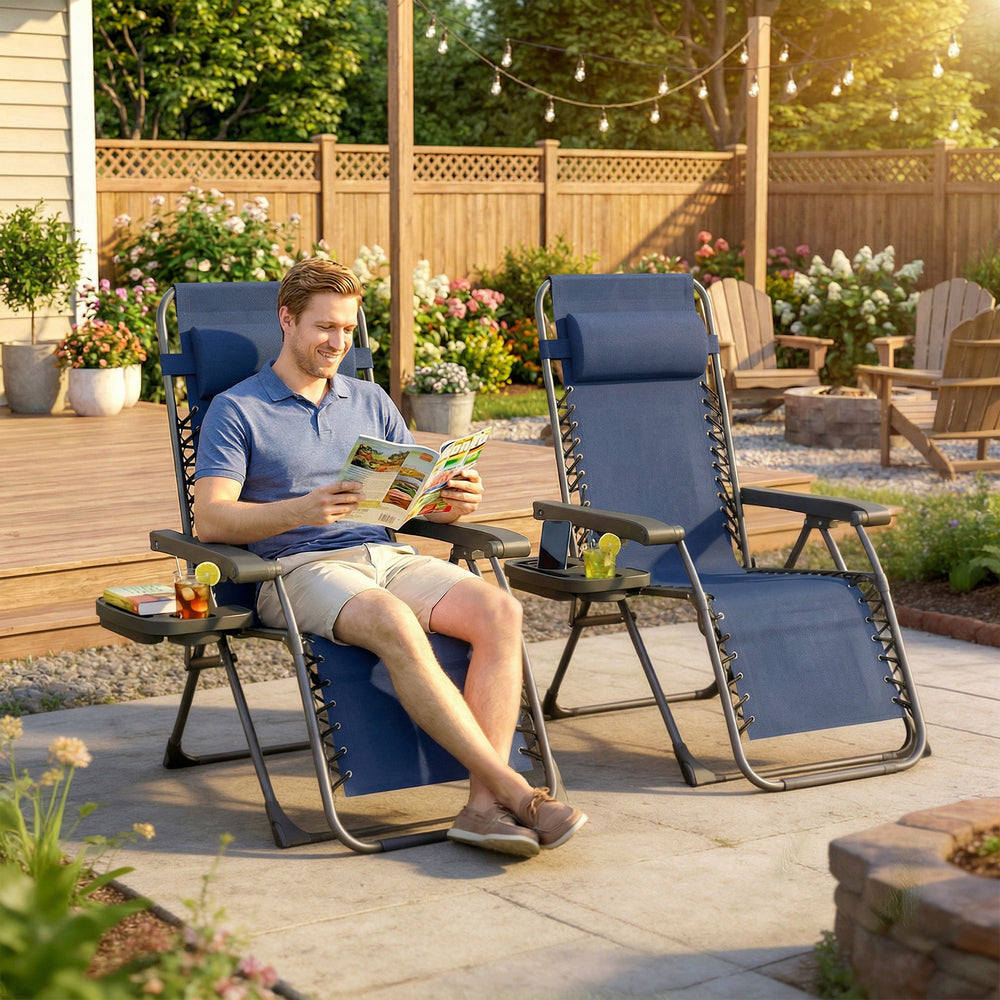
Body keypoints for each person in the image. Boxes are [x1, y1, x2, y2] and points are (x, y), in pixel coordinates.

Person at [192, 257, 586, 857]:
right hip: (296, 568)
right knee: (394, 620)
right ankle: (518, 792)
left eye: (348, 329)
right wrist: (300, 511)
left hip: (384, 552)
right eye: (325, 327)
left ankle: (483, 807)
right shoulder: (237, 408)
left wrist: (453, 503)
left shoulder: (370, 399)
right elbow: (212, 518)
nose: (338, 343)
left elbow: (408, 501)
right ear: (287, 320)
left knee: (500, 612)